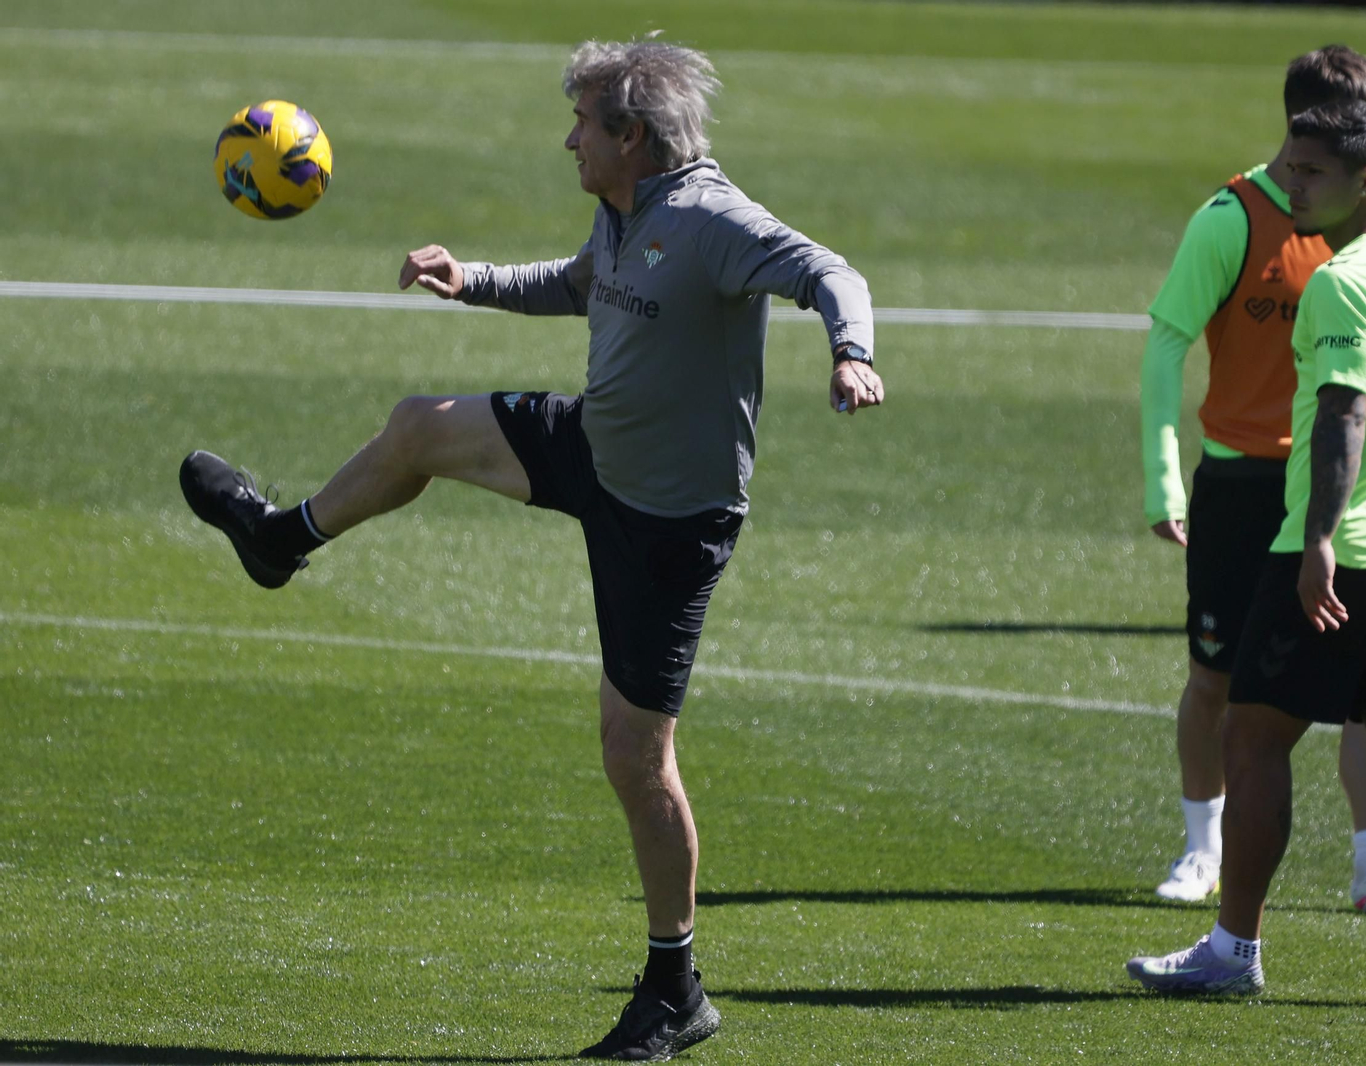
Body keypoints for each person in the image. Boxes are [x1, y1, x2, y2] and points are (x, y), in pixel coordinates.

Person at [178, 39, 883, 1060]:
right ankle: (278, 539)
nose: (568, 139)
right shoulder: (626, 210)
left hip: (667, 528)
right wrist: (475, 282)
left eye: (583, 124)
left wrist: (851, 352)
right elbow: (584, 281)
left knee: (635, 759)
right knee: (420, 424)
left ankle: (674, 988)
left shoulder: (714, 221)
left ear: (631, 137)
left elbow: (831, 271)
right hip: (593, 446)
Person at [1128, 102, 1366, 1010]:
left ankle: (1233, 948)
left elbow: (1342, 414)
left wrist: (1322, 540)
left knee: (1253, 733)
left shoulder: (1347, 282)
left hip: (1347, 554)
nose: (1286, 183)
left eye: (1307, 173)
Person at [1139, 46, 1366, 917]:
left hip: (1339, 492)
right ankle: (1202, 850)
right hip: (1243, 485)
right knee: (1215, 677)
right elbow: (1166, 339)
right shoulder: (1230, 219)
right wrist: (1164, 484)